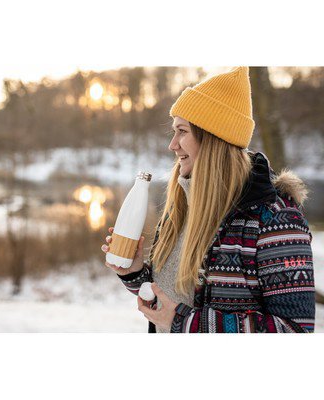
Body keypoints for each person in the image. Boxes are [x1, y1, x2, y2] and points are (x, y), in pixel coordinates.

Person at [101, 66, 315, 333]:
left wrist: (184, 323)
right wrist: (135, 273)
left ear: (213, 138)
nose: (172, 145)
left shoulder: (275, 219)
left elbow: (295, 329)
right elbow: (173, 297)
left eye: (182, 131)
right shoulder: (182, 205)